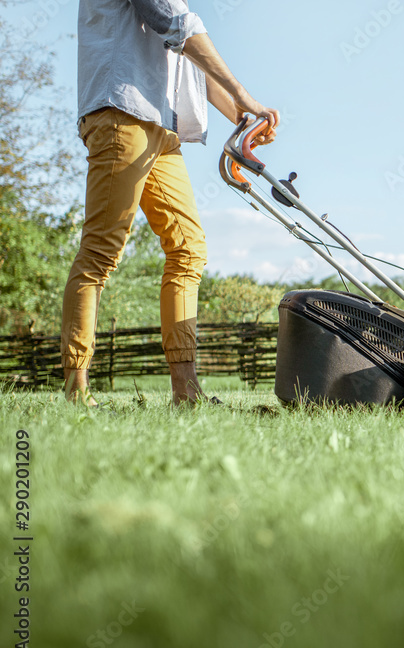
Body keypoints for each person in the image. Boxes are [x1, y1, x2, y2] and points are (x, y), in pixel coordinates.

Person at [63, 0, 279, 406]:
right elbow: (179, 25)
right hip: (120, 114)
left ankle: (186, 392)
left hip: (159, 125)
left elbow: (187, 56)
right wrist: (245, 96)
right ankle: (76, 392)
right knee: (100, 253)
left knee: (188, 249)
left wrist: (241, 116)